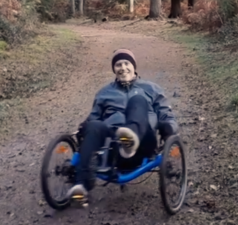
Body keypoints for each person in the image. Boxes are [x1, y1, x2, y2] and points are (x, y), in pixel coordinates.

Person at [66, 49, 178, 202]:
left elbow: (166, 113)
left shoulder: (151, 88)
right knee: (94, 126)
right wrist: (84, 128)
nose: (123, 67)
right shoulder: (104, 92)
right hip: (112, 146)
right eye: (118, 64)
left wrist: (169, 128)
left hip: (144, 141)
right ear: (114, 69)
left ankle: (131, 139)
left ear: (134, 67)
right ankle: (82, 186)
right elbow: (94, 117)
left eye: (127, 63)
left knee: (137, 100)